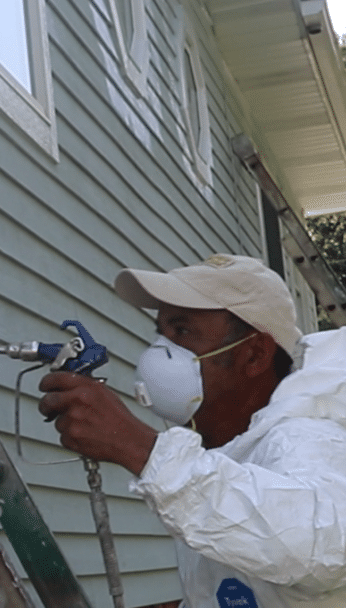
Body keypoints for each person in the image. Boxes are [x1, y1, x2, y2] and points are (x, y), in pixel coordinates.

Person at [38, 254, 346, 607]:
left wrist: (142, 449)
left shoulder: (308, 438)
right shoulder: (225, 458)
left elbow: (323, 548)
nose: (159, 353)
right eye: (163, 334)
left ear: (255, 355)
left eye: (183, 332)